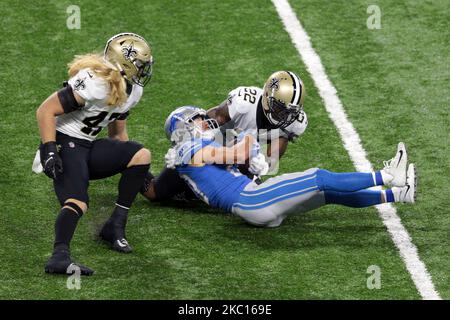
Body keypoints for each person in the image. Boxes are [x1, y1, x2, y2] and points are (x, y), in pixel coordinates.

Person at [163, 106, 416, 228]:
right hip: (252, 199)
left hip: (251, 205)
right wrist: (248, 138)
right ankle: (388, 175)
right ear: (185, 127)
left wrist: (249, 150)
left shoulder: (189, 152)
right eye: (198, 119)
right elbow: (236, 153)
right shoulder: (187, 150)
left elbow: (236, 157)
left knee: (326, 194)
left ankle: (398, 194)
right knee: (319, 177)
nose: (205, 120)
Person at [34, 33, 154, 275]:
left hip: (87, 144)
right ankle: (59, 256)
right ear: (125, 63)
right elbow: (46, 110)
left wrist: (139, 172)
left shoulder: (133, 90)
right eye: (140, 64)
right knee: (78, 202)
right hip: (64, 143)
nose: (144, 70)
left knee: (141, 155)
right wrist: (48, 149)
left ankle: (114, 227)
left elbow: (117, 135)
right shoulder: (95, 82)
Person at [143, 70, 308, 202]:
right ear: (267, 98)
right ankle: (133, 164)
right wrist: (187, 147)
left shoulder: (295, 123)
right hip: (216, 146)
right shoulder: (244, 102)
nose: (285, 116)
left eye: (290, 112)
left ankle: (194, 190)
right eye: (280, 108)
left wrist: (262, 163)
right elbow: (210, 121)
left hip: (244, 159)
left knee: (257, 197)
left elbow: (272, 157)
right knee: (155, 192)